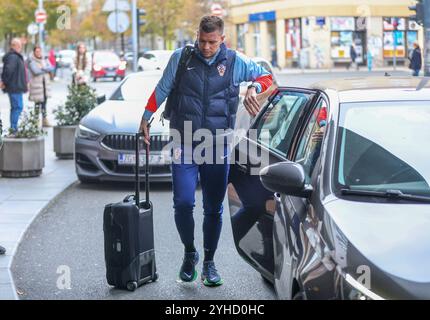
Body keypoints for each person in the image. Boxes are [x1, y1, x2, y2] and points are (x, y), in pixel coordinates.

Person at [139, 16, 273, 287]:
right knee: (184, 202)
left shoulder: (235, 62)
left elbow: (268, 78)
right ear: (196, 35)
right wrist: (145, 116)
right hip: (184, 142)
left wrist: (254, 88)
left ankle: (210, 263)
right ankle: (190, 253)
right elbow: (162, 88)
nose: (206, 47)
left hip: (218, 144)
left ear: (222, 39)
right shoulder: (182, 58)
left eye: (212, 42)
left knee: (213, 208)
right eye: (201, 40)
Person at [0, 38, 28, 135]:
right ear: (14, 46)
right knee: (18, 107)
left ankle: (13, 128)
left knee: (16, 107)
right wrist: (4, 82)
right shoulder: (13, 57)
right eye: (19, 46)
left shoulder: (15, 56)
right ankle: (13, 129)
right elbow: (8, 71)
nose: (20, 48)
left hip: (16, 86)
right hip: (14, 86)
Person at [28, 46, 53, 127]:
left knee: (44, 104)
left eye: (40, 51)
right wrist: (45, 69)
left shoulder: (45, 59)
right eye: (37, 51)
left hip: (45, 86)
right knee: (37, 105)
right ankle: (35, 121)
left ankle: (44, 121)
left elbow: (51, 68)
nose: (38, 53)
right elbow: (36, 71)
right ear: (34, 52)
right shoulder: (32, 61)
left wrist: (43, 68)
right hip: (37, 87)